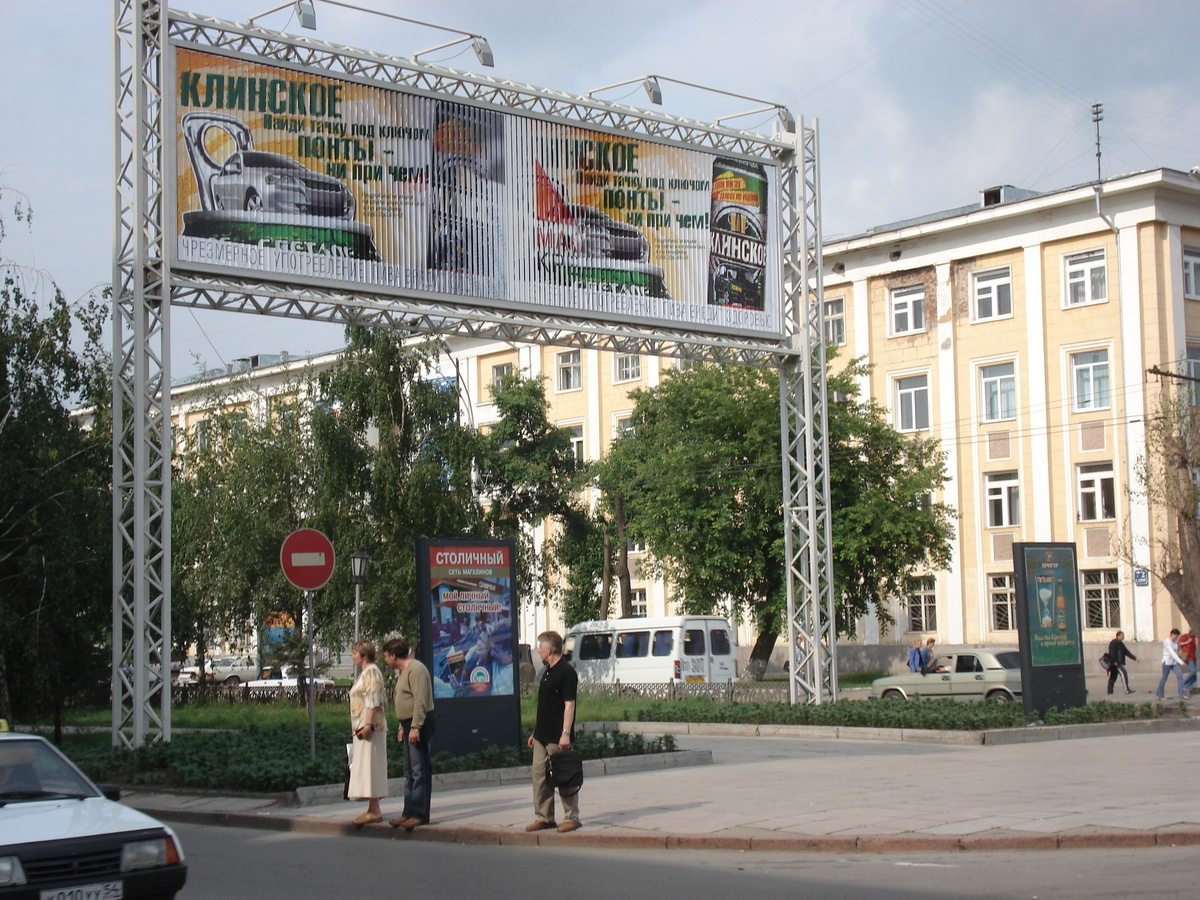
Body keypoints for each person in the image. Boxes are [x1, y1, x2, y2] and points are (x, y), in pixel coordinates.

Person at [525, 630, 581, 834]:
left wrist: (565, 733)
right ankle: (544, 817)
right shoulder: (547, 671)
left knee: (564, 776)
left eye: (540, 648)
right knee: (539, 776)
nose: (538, 651)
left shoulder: (566, 672)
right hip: (541, 736)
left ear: (549, 649)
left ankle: (571, 817)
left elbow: (569, 705)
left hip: (558, 736)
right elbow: (545, 706)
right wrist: (535, 732)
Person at [383, 636, 435, 830]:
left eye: (386, 657)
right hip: (407, 725)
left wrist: (416, 727)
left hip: (419, 725)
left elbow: (420, 700)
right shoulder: (403, 672)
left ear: (394, 656)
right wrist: (401, 727)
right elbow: (406, 700)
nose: (386, 661)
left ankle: (420, 814)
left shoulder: (416, 669)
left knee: (419, 770)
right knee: (409, 771)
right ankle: (408, 812)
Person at [347, 639, 387, 826]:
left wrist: (368, 724)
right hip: (364, 727)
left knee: (371, 767)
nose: (352, 656)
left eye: (355, 653)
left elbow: (373, 699)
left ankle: (375, 810)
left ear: (364, 655)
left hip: (370, 727)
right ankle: (372, 808)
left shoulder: (371, 672)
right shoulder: (367, 673)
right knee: (368, 767)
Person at [1154, 628, 1189, 701]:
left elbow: (1176, 651)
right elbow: (1172, 653)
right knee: (1164, 678)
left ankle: (1182, 693)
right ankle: (1160, 695)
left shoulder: (1175, 641)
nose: (1176, 637)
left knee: (1180, 675)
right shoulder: (1167, 642)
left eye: (1177, 636)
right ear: (1172, 634)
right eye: (1176, 636)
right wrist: (1181, 662)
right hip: (1167, 662)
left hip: (1174, 663)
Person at [1105, 629, 1136, 695]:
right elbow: (1112, 652)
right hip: (1116, 663)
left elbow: (1126, 652)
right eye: (1122, 636)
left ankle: (1110, 691)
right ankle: (1126, 690)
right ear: (1118, 636)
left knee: (1113, 677)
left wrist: (1135, 658)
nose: (1123, 637)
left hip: (1117, 663)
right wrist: (1115, 661)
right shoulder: (1114, 643)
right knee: (1123, 673)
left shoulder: (1121, 644)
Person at [1180, 628, 1197, 693]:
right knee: (1193, 671)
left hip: (1193, 656)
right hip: (1188, 656)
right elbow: (1180, 643)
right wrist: (1188, 641)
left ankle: (1193, 686)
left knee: (1194, 672)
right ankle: (1184, 683)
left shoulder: (1194, 638)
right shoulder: (1185, 636)